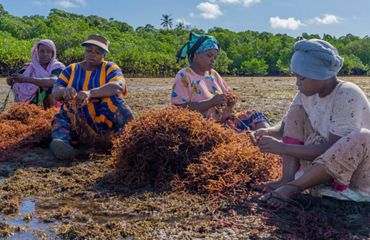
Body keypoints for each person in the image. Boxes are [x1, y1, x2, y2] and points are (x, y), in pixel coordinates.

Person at [253, 39, 370, 208]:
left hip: (359, 173)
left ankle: (292, 188)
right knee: (296, 112)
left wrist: (283, 148)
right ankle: (286, 179)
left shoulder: (347, 94)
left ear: (320, 75)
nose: (297, 83)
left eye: (301, 78)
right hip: (324, 166)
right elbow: (287, 126)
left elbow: (332, 149)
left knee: (364, 136)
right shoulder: (306, 94)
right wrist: (268, 131)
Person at [50, 34, 134, 160]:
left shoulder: (110, 67)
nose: (92, 54)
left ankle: (127, 141)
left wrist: (90, 93)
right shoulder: (71, 69)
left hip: (103, 123)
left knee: (115, 101)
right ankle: (64, 144)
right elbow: (55, 90)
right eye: (89, 50)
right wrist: (64, 91)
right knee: (60, 117)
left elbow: (118, 86)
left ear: (104, 55)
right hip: (76, 121)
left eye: (97, 52)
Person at [171, 32, 269, 131]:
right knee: (234, 137)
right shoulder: (184, 75)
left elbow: (227, 97)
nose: (213, 60)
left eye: (215, 57)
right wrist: (211, 102)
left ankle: (269, 138)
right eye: (209, 56)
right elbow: (179, 108)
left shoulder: (213, 74)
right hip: (201, 127)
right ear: (196, 54)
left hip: (223, 122)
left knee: (256, 116)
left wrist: (230, 103)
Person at [6, 39, 65, 108]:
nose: (45, 54)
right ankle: (26, 108)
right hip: (31, 105)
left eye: (48, 51)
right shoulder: (30, 67)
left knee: (50, 88)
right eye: (42, 51)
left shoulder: (57, 66)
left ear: (52, 53)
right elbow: (9, 81)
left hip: (51, 105)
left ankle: (52, 111)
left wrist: (25, 79)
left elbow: (53, 81)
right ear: (37, 52)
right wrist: (12, 79)